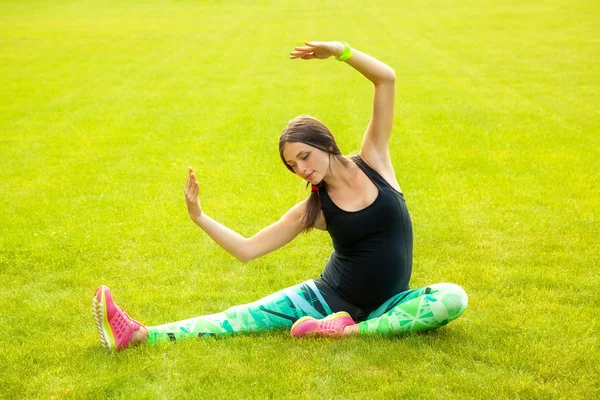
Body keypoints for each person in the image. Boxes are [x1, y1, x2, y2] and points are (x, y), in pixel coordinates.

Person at [92, 41, 468, 351]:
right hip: (324, 298)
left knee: (453, 298)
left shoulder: (375, 161)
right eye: (293, 165)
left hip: (389, 305)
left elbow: (386, 80)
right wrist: (200, 217)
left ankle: (349, 331)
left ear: (325, 143)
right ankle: (140, 333)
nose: (302, 169)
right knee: (239, 317)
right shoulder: (315, 208)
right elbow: (247, 249)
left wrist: (339, 51)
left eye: (305, 156)